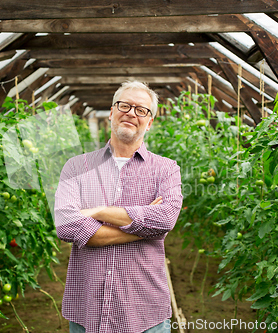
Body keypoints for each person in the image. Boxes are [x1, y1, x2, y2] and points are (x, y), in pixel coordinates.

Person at [54, 81, 183, 333]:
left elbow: (165, 219)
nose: (132, 113)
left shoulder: (166, 169)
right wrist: (144, 227)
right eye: (125, 105)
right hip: (87, 309)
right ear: (112, 112)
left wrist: (96, 212)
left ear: (150, 121)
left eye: (142, 110)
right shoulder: (76, 167)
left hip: (145, 313)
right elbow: (67, 226)